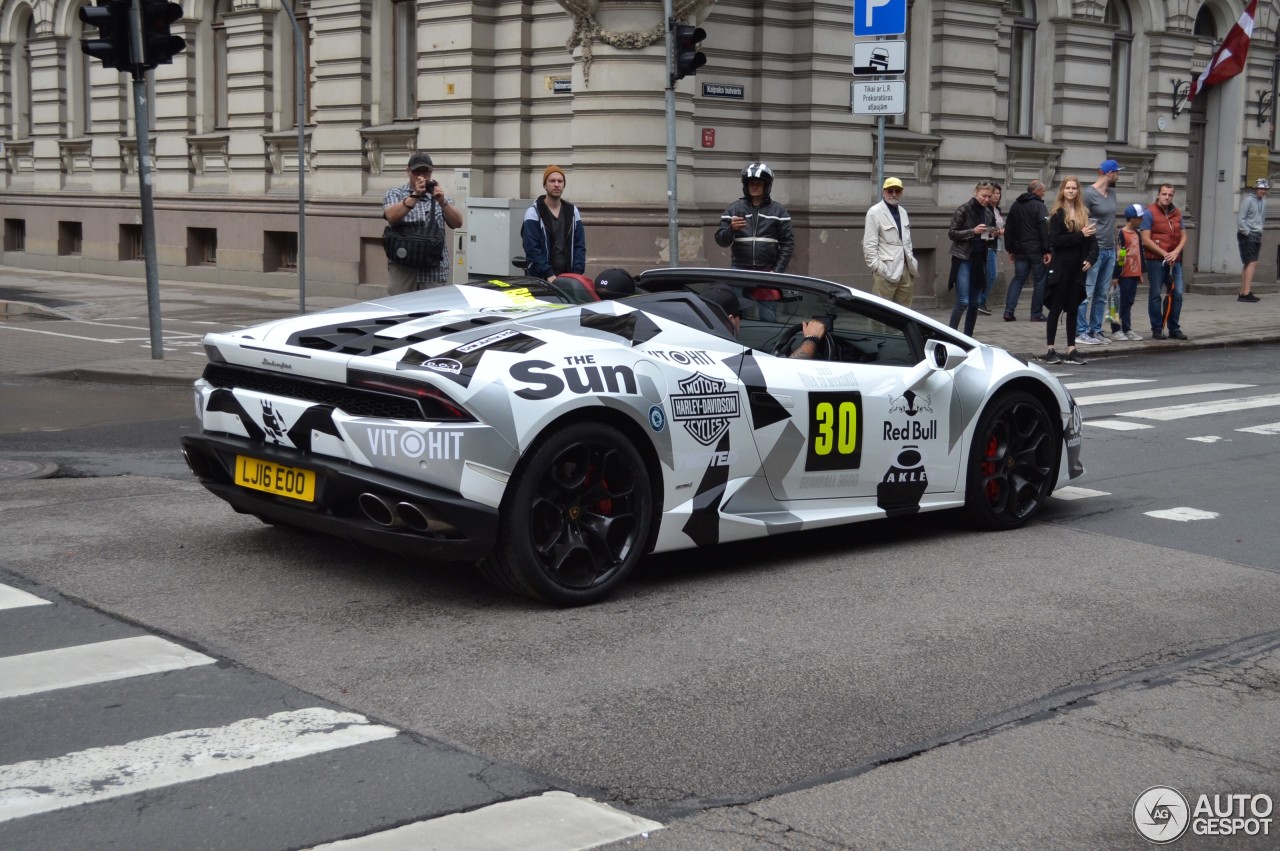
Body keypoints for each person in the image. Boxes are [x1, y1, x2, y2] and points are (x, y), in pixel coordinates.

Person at [382, 151, 464, 295]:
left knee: (433, 313)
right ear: (408, 171)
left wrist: (442, 202)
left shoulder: (439, 196)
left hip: (433, 271)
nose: (422, 176)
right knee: (401, 311)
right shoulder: (395, 193)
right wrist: (415, 196)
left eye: (426, 172)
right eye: (417, 172)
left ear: (431, 172)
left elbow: (458, 222)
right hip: (403, 269)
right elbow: (391, 216)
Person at [1041, 176, 1098, 365]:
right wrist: (1080, 235)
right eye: (1068, 188)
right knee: (1056, 308)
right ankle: (1050, 349)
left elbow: (1093, 242)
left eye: (1074, 188)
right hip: (1061, 267)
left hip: (1077, 268)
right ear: (1063, 191)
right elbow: (1056, 241)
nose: (1071, 191)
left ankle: (1071, 349)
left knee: (1073, 308)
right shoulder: (1057, 214)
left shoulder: (1083, 213)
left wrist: (1091, 259)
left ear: (1078, 191)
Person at [699, 284, 826, 359]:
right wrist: (811, 339)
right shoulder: (732, 356)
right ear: (731, 320)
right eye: (741, 315)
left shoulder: (694, 350)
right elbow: (788, 374)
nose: (741, 321)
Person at [715, 162, 795, 273]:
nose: (754, 186)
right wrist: (731, 229)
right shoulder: (734, 209)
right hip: (739, 269)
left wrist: (777, 271)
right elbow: (721, 241)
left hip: (767, 270)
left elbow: (788, 244)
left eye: (759, 183)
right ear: (746, 185)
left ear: (766, 185)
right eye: (751, 182)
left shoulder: (779, 212)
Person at [1075, 159, 1121, 346]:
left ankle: (1096, 329)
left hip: (1109, 249)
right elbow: (1081, 219)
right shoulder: (1088, 194)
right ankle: (1081, 331)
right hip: (1095, 249)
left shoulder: (1112, 194)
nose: (1118, 175)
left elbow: (1113, 221)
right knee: (1087, 292)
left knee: (1102, 293)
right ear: (1109, 173)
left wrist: (1117, 246)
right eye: (1117, 172)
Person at [521, 164, 586, 281]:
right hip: (542, 279)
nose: (556, 184)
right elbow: (532, 249)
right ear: (545, 185)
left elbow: (579, 246)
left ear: (564, 185)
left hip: (569, 277)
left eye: (560, 181)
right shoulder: (533, 213)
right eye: (552, 181)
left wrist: (577, 274)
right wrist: (549, 275)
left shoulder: (572, 211)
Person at [947, 180, 996, 336]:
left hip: (979, 258)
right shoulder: (964, 209)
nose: (986, 200)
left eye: (989, 197)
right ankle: (951, 334)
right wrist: (972, 231)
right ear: (976, 192)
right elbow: (952, 233)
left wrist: (992, 234)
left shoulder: (989, 213)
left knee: (975, 303)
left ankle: (968, 337)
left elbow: (987, 237)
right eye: (984, 196)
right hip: (963, 257)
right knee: (963, 301)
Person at [1141, 183, 1189, 340]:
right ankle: (1156, 328)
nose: (1167, 197)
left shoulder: (1177, 213)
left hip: (1175, 260)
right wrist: (1164, 253)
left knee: (1178, 293)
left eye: (1170, 195)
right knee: (1155, 293)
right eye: (1164, 194)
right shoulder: (1149, 212)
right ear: (1158, 195)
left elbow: (1184, 236)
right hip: (1156, 260)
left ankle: (1174, 328)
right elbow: (1146, 240)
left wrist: (1175, 252)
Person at [862, 176, 919, 306]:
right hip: (885, 270)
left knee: (905, 313)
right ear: (884, 192)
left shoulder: (903, 212)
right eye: (890, 191)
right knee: (880, 312)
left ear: (901, 193)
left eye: (897, 191)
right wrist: (877, 267)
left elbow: (907, 240)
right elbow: (869, 244)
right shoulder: (874, 212)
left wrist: (911, 261)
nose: (894, 194)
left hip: (906, 270)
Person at [1003, 179, 1051, 322]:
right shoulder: (1039, 206)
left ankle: (1008, 311)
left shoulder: (1015, 205)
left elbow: (1009, 228)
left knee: (1018, 279)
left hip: (1019, 249)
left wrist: (1010, 248)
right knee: (1040, 281)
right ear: (1036, 191)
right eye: (1043, 191)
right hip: (1036, 250)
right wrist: (1048, 250)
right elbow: (1044, 229)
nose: (1044, 193)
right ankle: (1036, 313)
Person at [1113, 204, 1145, 340]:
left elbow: (1140, 254)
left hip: (1134, 273)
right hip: (1124, 274)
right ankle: (1116, 329)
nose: (1142, 220)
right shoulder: (1121, 233)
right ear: (1132, 219)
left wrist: (1141, 271)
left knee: (1129, 302)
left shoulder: (1137, 233)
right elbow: (1119, 255)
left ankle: (1127, 328)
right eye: (1139, 217)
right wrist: (1116, 275)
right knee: (1118, 302)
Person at [1237, 178, 1268, 303]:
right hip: (1247, 234)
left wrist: (1260, 230)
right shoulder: (1248, 200)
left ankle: (1243, 291)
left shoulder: (1263, 202)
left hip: (1257, 233)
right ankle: (1246, 292)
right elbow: (1240, 218)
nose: (1262, 191)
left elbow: (1262, 218)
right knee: (1252, 262)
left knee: (1248, 263)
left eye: (1265, 189)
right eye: (1261, 188)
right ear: (1256, 189)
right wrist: (1247, 232)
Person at [978, 184, 1005, 315]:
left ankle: (980, 301)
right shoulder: (986, 209)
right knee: (991, 274)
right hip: (987, 244)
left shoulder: (997, 209)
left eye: (998, 193)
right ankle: (979, 301)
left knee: (988, 274)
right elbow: (986, 228)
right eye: (993, 193)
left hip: (994, 245)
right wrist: (999, 231)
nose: (995, 195)